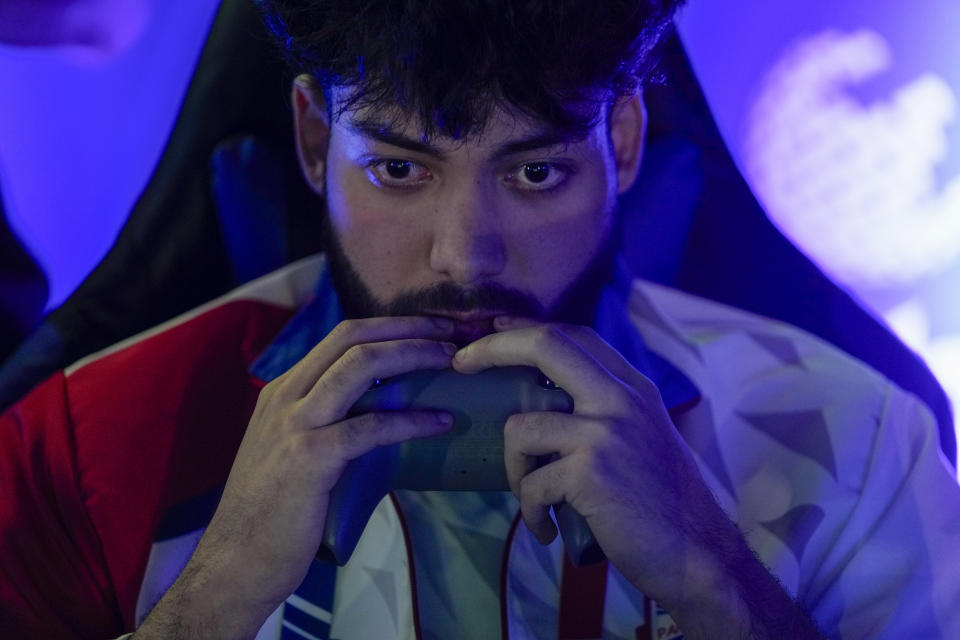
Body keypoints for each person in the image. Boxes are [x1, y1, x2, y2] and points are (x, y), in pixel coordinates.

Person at [1, 1, 959, 638]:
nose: (466, 255)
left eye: (534, 172)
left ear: (621, 139)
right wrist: (211, 603)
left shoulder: (862, 442)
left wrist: (717, 579)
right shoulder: (83, 446)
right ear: (312, 136)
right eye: (401, 170)